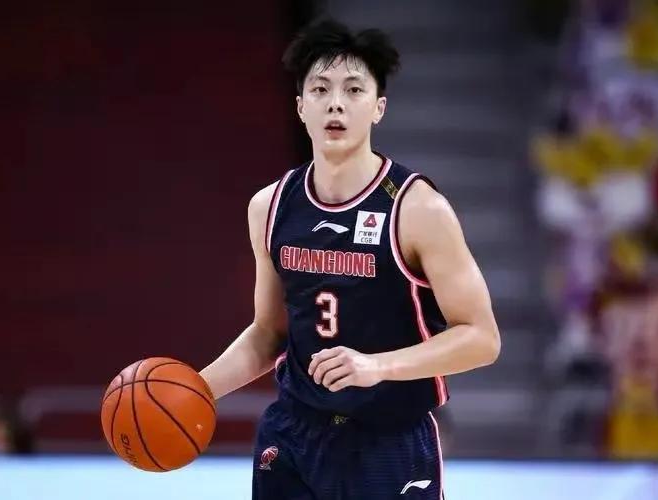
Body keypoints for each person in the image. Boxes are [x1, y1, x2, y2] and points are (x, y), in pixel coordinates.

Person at [200, 19, 501, 499]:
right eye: (320, 89)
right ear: (300, 107)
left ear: (379, 107)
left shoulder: (418, 209)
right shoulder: (270, 207)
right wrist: (194, 391)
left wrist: (377, 366)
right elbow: (269, 333)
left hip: (387, 439)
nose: (335, 103)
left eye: (354, 89)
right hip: (294, 434)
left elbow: (483, 338)